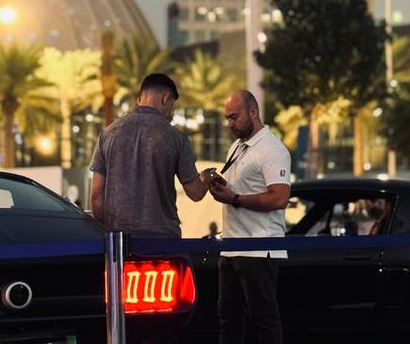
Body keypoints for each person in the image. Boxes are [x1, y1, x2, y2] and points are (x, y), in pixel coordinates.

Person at [205, 90, 291, 344]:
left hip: (258, 248)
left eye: (234, 117)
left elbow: (279, 198)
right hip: (232, 246)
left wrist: (234, 198)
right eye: (227, 118)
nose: (230, 124)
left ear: (253, 112)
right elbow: (239, 189)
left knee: (263, 320)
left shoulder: (272, 149)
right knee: (228, 320)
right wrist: (221, 188)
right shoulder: (238, 146)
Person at [89, 73, 207, 238]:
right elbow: (195, 193)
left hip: (119, 243)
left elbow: (96, 195)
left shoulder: (108, 134)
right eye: (171, 107)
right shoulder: (176, 137)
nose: (170, 114)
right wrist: (207, 177)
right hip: (162, 240)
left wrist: (108, 232)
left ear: (139, 99)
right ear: (165, 99)